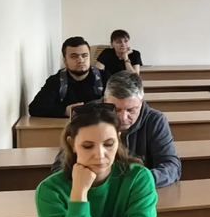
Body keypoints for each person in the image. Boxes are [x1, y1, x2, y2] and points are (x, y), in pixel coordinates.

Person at [52, 72, 181, 188]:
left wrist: (139, 180)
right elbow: (60, 168)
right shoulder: (85, 116)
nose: (123, 118)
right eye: (116, 109)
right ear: (105, 100)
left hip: (136, 192)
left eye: (131, 110)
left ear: (141, 102)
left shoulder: (155, 120)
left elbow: (172, 167)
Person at [28, 37, 107, 118]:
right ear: (65, 61)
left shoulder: (105, 78)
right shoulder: (56, 81)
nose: (81, 60)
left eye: (84, 56)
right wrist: (64, 111)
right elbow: (35, 108)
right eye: (74, 56)